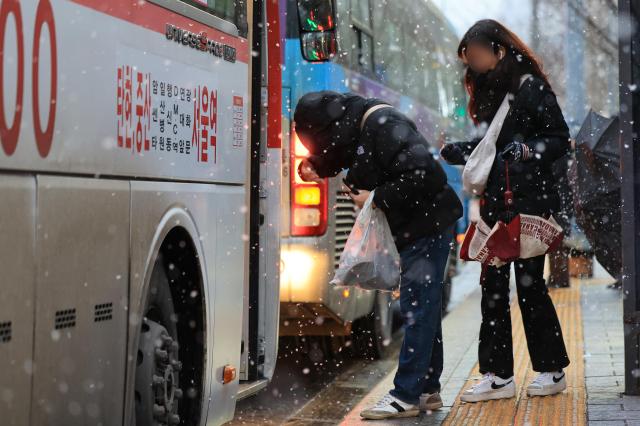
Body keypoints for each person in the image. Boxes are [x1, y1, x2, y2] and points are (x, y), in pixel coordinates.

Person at [294, 91, 462, 419]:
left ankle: (406, 395)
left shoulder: (384, 125)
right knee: (423, 308)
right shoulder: (358, 125)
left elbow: (426, 175)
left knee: (418, 309)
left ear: (331, 128)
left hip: (428, 227)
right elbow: (344, 153)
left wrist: (376, 197)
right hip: (418, 227)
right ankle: (426, 390)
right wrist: (316, 165)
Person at [440, 19, 571, 402]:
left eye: (478, 56)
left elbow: (559, 139)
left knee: (531, 288)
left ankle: (551, 371)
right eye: (469, 59)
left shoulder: (530, 87)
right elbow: (489, 147)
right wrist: (462, 150)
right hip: (496, 206)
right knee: (492, 290)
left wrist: (529, 151)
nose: (474, 64)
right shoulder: (484, 91)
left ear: (499, 50)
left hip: (530, 205)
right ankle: (498, 376)